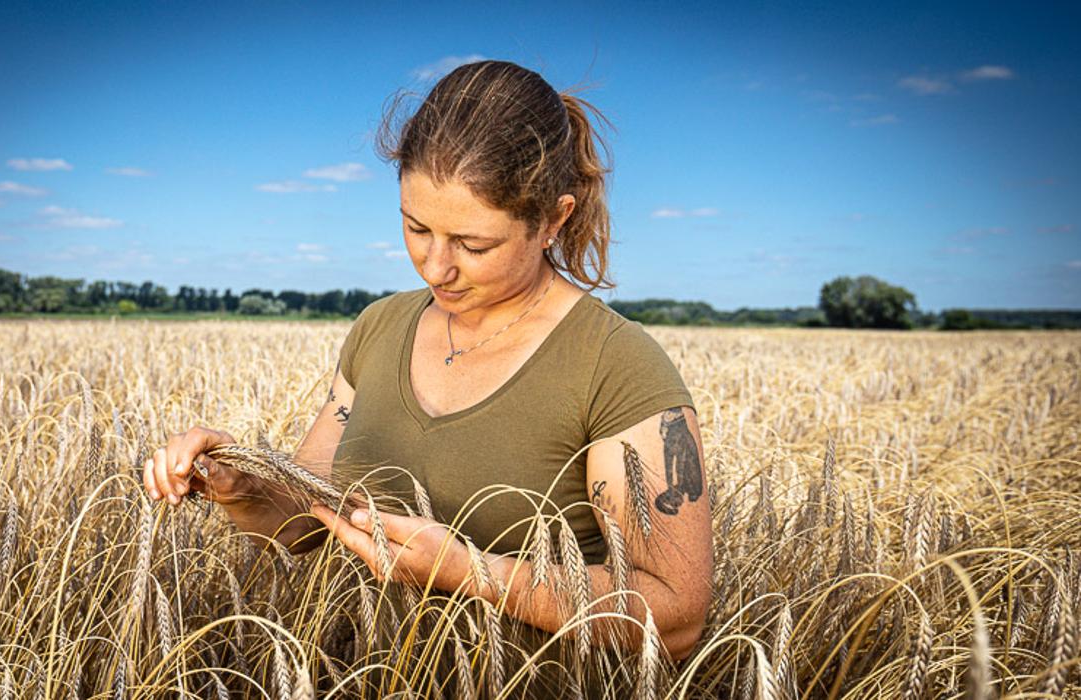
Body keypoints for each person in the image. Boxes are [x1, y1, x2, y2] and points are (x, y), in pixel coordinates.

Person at [141, 59, 712, 675]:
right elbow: (307, 522)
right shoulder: (380, 327)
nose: (435, 266)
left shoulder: (616, 366)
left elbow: (678, 618)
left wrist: (470, 572)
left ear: (554, 219)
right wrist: (239, 482)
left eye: (473, 244)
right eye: (416, 228)